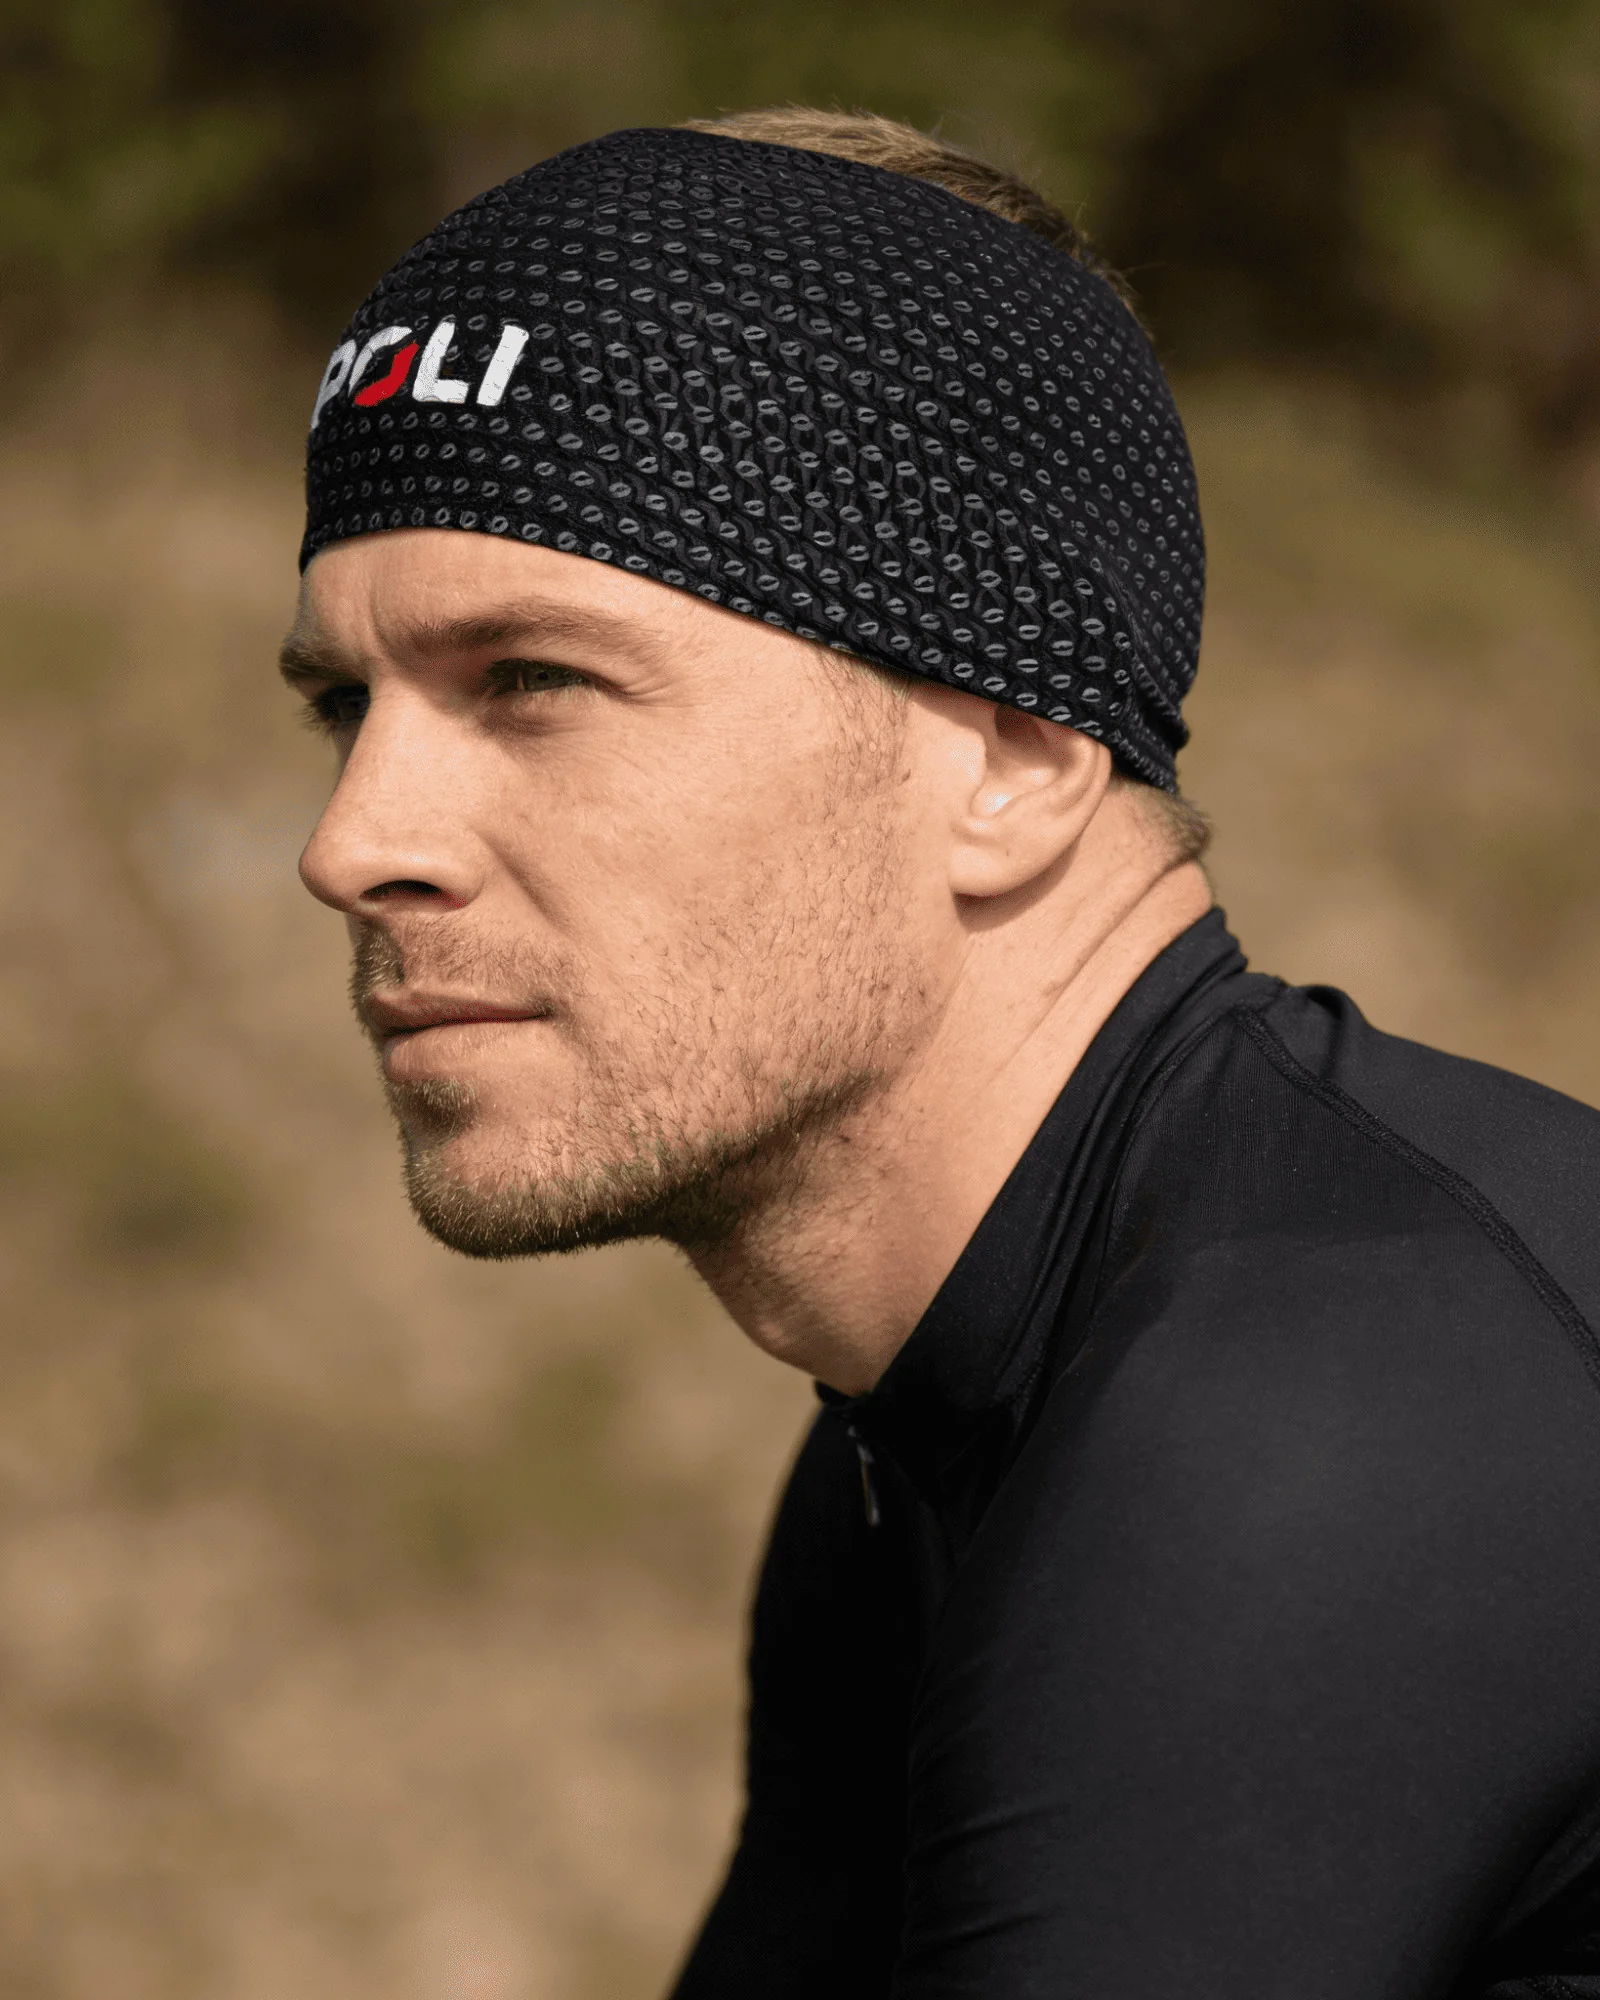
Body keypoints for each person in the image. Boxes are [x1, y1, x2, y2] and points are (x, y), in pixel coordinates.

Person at [281, 108, 1600, 2000]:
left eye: (535, 681)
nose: (351, 843)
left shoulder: (1322, 1412)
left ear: (1016, 756)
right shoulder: (919, 1434)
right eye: (347, 705)